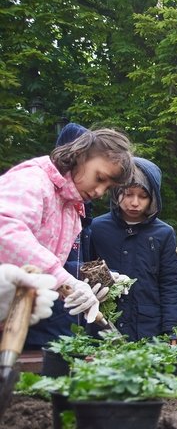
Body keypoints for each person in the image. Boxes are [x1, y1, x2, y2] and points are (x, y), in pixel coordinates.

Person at [0, 128, 134, 324]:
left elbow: (45, 266)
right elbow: (5, 230)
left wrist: (82, 285)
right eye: (99, 178)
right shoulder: (33, 180)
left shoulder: (71, 208)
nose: (99, 191)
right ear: (79, 155)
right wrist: (64, 280)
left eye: (108, 188)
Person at [90, 157, 177, 340]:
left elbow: (170, 284)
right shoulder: (96, 228)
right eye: (129, 194)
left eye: (142, 196)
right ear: (117, 192)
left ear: (153, 198)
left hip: (148, 330)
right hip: (103, 326)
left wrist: (173, 330)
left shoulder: (163, 233)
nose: (134, 202)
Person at [24, 123, 96, 350]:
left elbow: (69, 260)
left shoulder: (80, 211)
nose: (99, 190)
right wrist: (76, 276)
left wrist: (100, 276)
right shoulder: (37, 187)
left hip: (66, 317)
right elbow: (30, 255)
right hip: (39, 315)